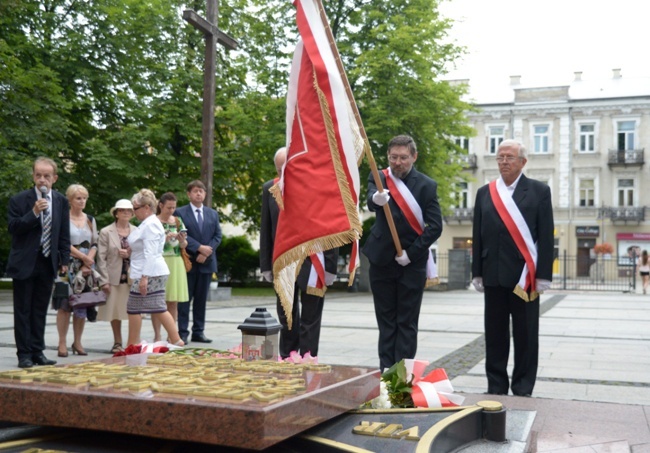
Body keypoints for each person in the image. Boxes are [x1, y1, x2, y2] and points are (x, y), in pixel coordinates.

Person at [471, 139, 554, 397]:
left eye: (509, 157)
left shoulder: (539, 191)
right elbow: (478, 234)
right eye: (500, 157)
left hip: (524, 277)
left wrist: (543, 275)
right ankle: (496, 385)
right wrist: (477, 272)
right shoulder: (485, 192)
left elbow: (546, 235)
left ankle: (522, 386)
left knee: (526, 335)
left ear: (523, 162)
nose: (504, 161)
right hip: (493, 274)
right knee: (495, 335)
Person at [362, 135, 443, 372]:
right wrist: (376, 199)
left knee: (406, 322)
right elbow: (369, 201)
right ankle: (386, 373)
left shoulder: (427, 185)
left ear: (414, 157)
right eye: (393, 157)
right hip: (381, 260)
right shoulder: (379, 177)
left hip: (411, 262)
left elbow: (435, 226)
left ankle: (402, 376)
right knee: (386, 322)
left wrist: (412, 253)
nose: (398, 162)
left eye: (403, 158)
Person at [260, 147, 338, 358]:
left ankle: (308, 359)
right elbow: (266, 229)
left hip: (314, 262)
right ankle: (289, 357)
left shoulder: (319, 188)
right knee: (287, 316)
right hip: (283, 263)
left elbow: (331, 228)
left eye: (287, 167)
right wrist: (266, 265)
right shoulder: (270, 189)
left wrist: (330, 266)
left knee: (311, 318)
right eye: (279, 169)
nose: (283, 173)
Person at [7, 157, 71, 368]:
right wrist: (33, 213)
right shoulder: (19, 200)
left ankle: (37, 351)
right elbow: (14, 228)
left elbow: (63, 233)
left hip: (47, 261)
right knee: (23, 310)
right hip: (25, 262)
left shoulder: (61, 201)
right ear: (33, 176)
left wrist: (64, 258)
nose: (42, 180)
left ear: (54, 178)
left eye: (46, 176)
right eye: (38, 175)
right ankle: (24, 354)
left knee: (40, 310)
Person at [126, 189, 184, 347]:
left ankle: (133, 344)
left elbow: (151, 252)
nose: (133, 212)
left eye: (135, 208)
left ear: (146, 207)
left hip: (149, 271)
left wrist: (145, 277)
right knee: (157, 307)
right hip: (151, 270)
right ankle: (176, 340)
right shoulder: (149, 223)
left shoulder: (150, 224)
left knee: (135, 308)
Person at [175, 180, 222, 344]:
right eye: (195, 191)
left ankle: (198, 332)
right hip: (188, 262)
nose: (198, 194)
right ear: (189, 194)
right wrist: (199, 249)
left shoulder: (212, 214)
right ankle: (182, 332)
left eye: (201, 191)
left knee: (201, 301)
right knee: (184, 300)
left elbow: (217, 236)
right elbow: (182, 234)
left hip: (207, 263)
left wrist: (207, 251)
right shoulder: (180, 213)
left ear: (205, 194)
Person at [55, 184, 99, 357]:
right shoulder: (63, 217)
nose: (82, 201)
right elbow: (62, 242)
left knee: (82, 303)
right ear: (70, 200)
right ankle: (62, 343)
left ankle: (78, 342)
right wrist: (83, 256)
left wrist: (89, 260)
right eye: (78, 198)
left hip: (86, 267)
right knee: (64, 306)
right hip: (67, 265)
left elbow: (95, 241)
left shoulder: (90, 219)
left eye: (84, 198)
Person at [96, 199, 136, 353]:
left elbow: (142, 253)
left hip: (132, 277)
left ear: (132, 213)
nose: (125, 213)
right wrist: (104, 280)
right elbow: (101, 257)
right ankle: (117, 342)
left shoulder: (137, 230)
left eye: (128, 210)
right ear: (116, 213)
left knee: (133, 311)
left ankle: (133, 341)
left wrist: (129, 253)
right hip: (114, 277)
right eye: (122, 210)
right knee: (115, 312)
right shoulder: (106, 231)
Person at [152, 192, 189, 342]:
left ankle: (171, 335)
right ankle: (157, 335)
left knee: (172, 301)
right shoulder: (153, 221)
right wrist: (163, 238)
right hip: (159, 260)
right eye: (168, 207)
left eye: (174, 207)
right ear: (161, 206)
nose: (171, 210)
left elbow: (184, 245)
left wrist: (181, 240)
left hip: (175, 260)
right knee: (157, 300)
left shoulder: (178, 221)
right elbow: (150, 243)